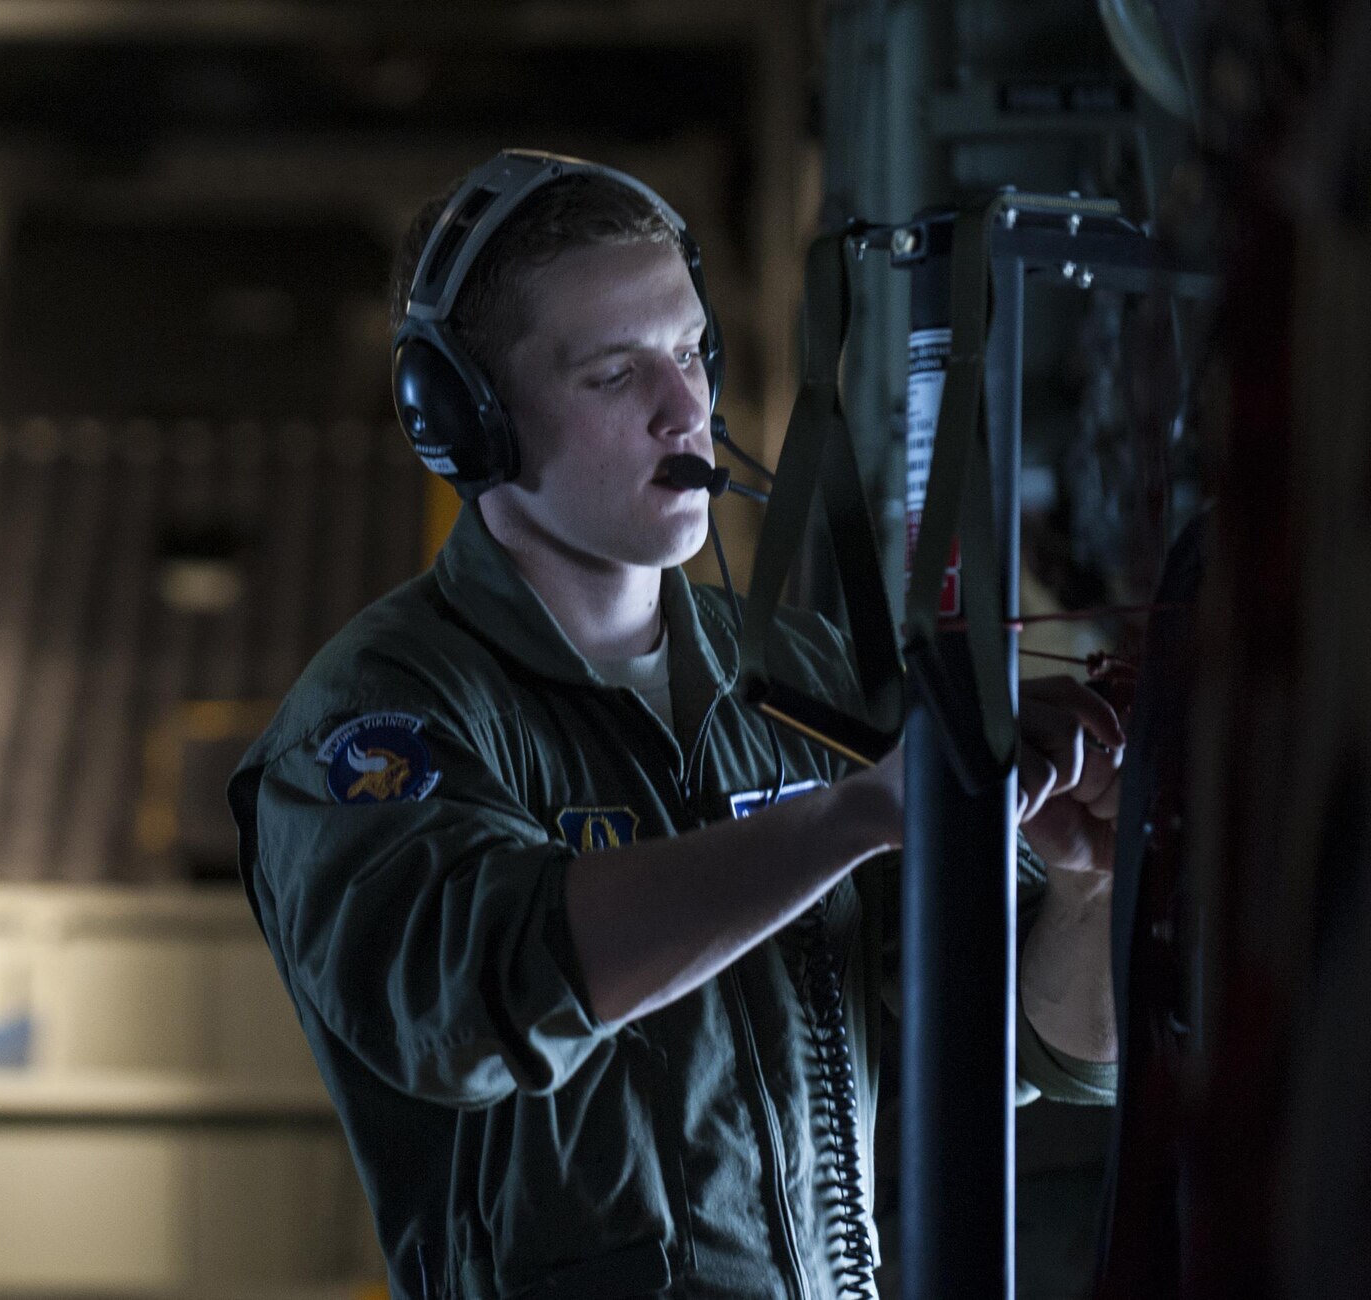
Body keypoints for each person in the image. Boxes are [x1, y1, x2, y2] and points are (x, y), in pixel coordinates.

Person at [228, 151, 1120, 1300]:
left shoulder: (797, 680)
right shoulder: (376, 721)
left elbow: (1029, 1046)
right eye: (615, 374)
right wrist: (849, 818)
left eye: (693, 350)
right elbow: (474, 999)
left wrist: (1086, 883)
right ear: (465, 421)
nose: (685, 406)